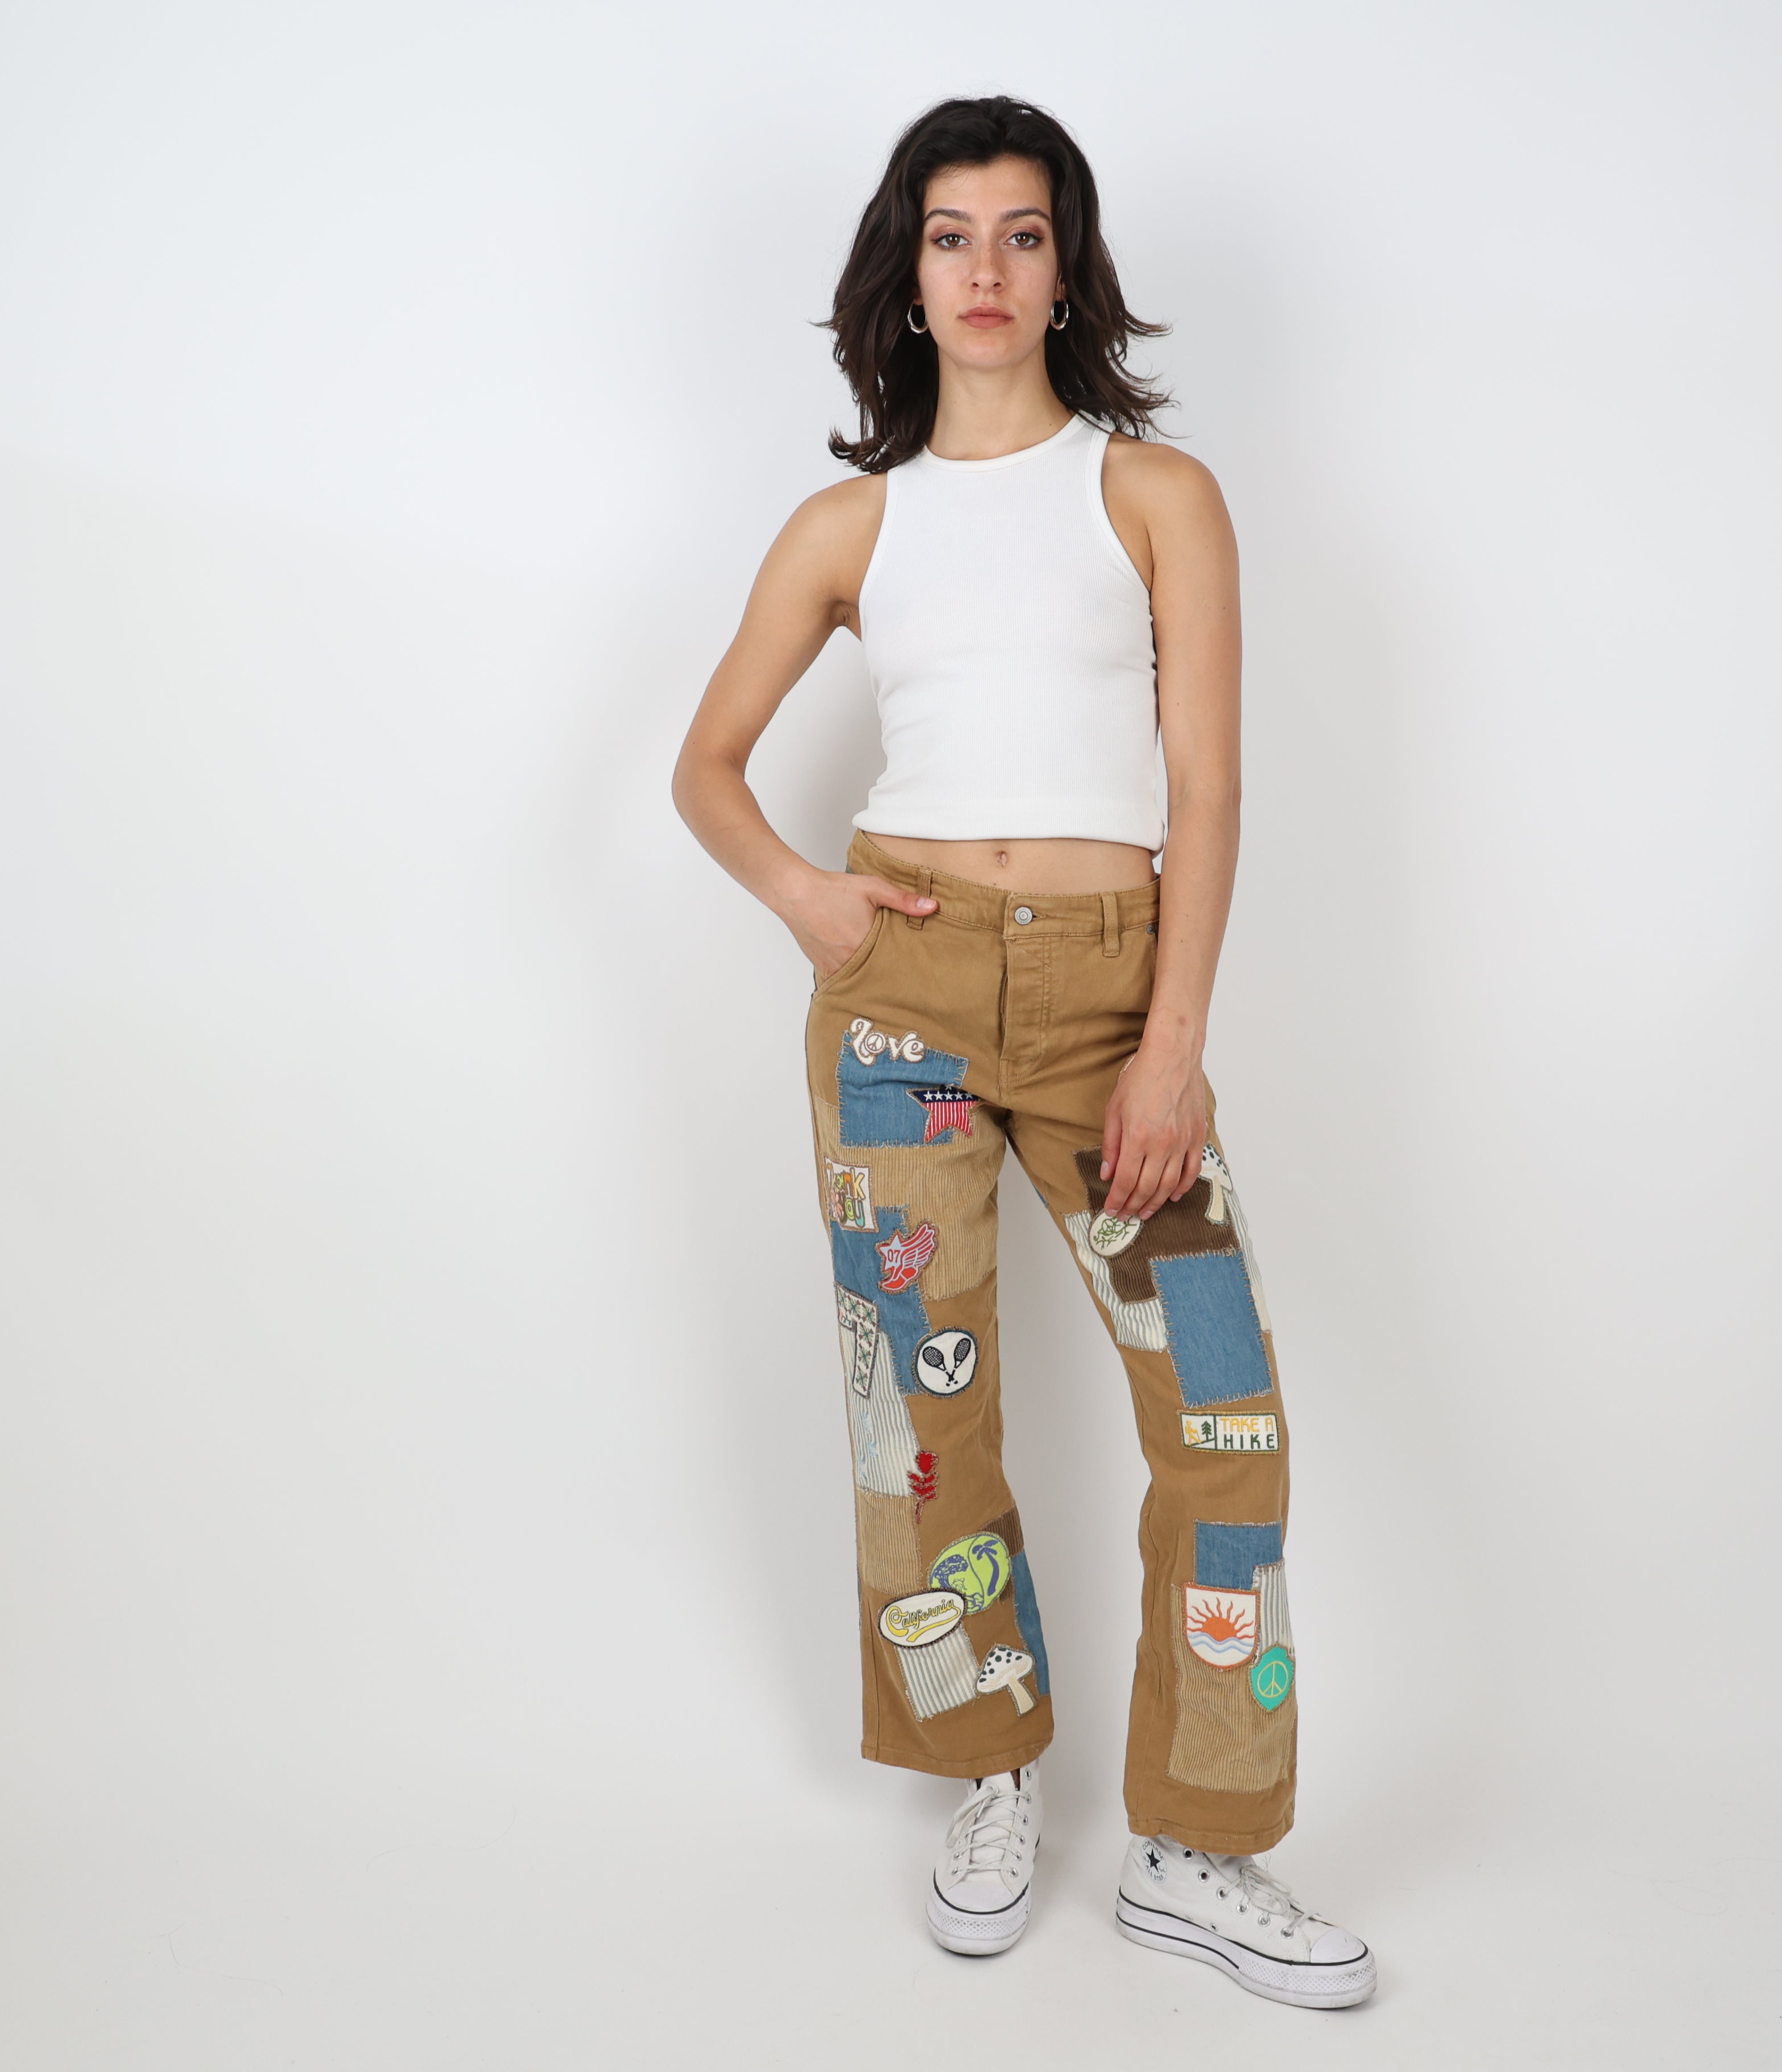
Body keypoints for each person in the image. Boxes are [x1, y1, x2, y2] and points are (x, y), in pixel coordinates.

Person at [673, 95, 1374, 2011]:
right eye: (952, 234)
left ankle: (1194, 1846)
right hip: (898, 992)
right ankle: (987, 1776)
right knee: (922, 1427)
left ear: (1070, 270)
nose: (987, 268)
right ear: (907, 273)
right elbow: (706, 770)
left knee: (1224, 1420)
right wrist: (812, 905)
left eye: (1025, 233)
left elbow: (1207, 789)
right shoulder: (851, 525)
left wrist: (1172, 1051)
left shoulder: (1154, 495)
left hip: (1113, 996)